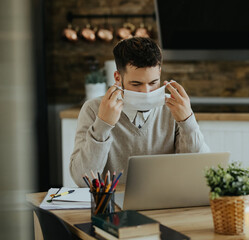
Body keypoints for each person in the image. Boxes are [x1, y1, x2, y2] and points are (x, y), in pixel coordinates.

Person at [70, 37, 210, 187]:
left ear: (160, 73)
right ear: (118, 78)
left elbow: (201, 172)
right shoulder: (93, 109)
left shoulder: (174, 106)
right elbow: (81, 180)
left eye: (153, 83)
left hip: (164, 203)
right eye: (136, 84)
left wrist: (188, 122)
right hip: (111, 206)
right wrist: (103, 125)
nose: (146, 92)